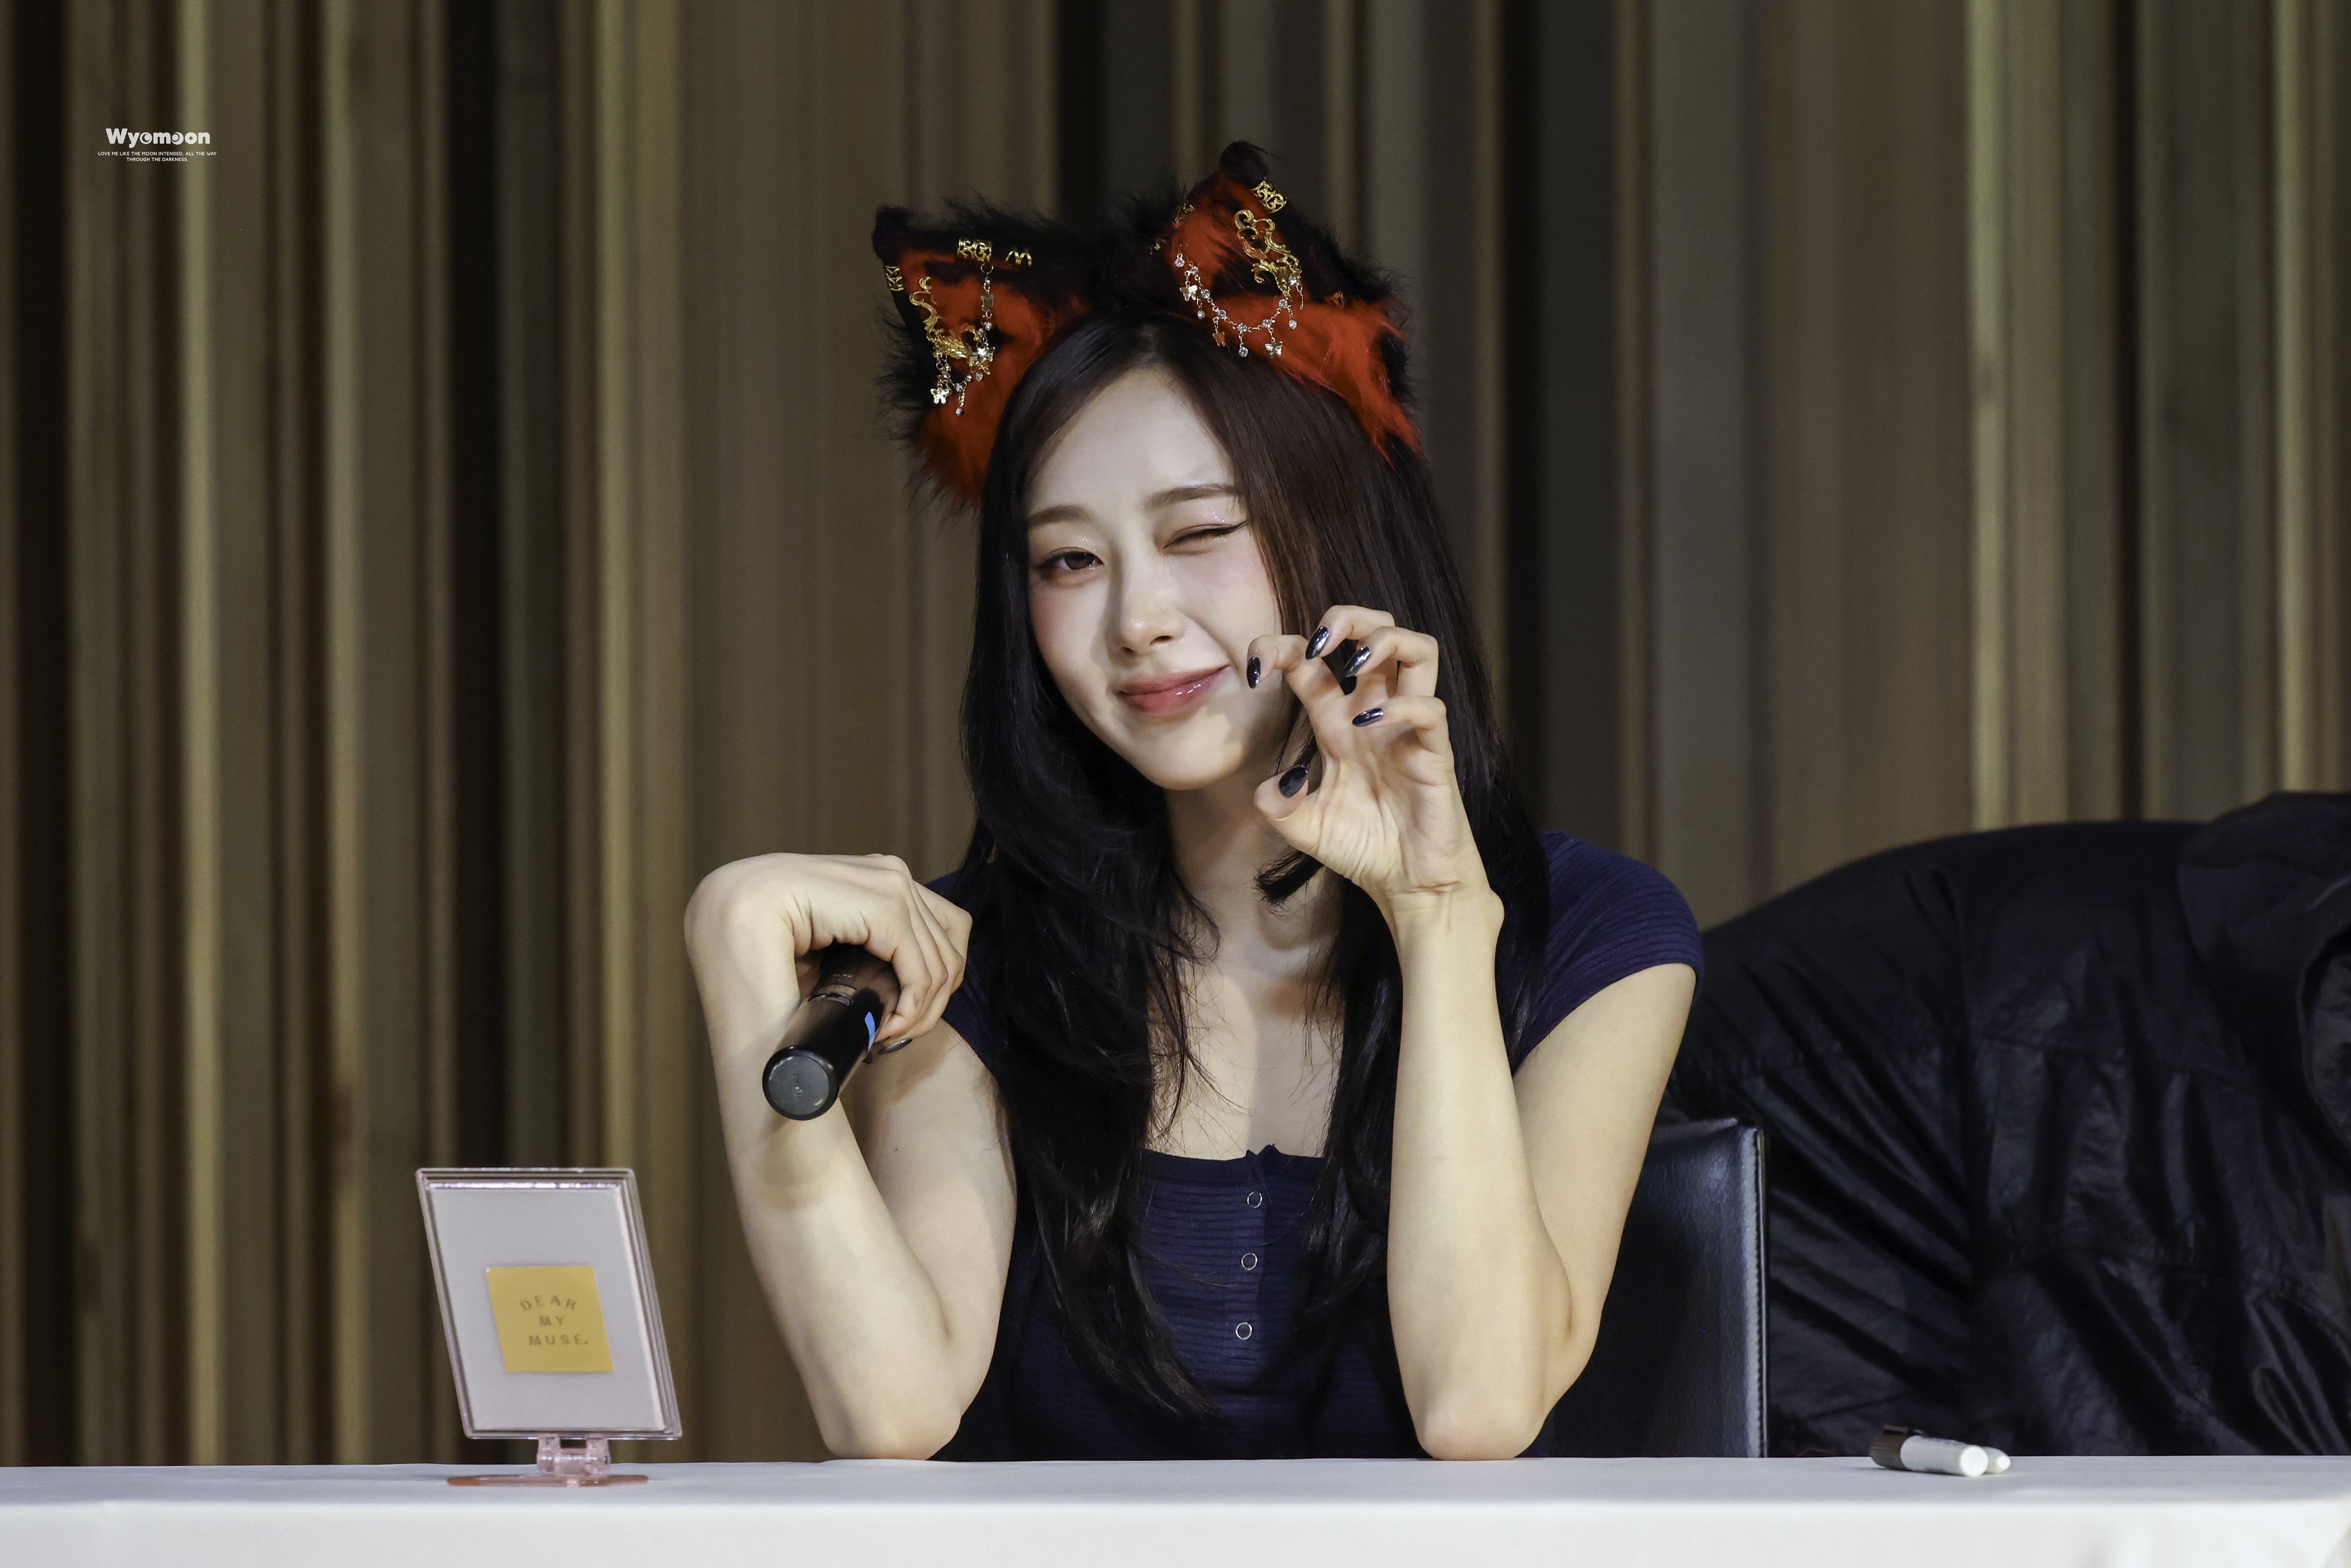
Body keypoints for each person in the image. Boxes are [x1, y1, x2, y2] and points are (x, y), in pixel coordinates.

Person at [684, 143, 1701, 1460]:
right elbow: (890, 1407)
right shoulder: (974, 959)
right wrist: (733, 941)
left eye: (1198, 533)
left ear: (1333, 530)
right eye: (1068, 561)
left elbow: (1478, 1405)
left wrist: (1439, 915)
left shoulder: (1598, 933)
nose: (1136, 620)